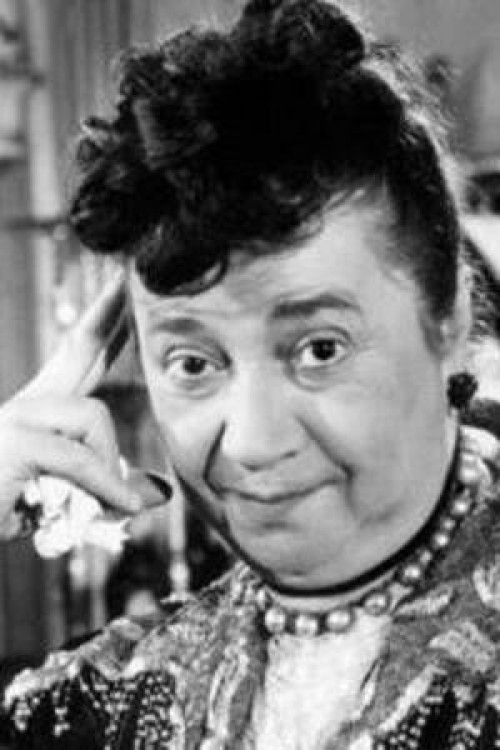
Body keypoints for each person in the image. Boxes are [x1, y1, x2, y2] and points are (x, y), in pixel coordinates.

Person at [0, 0, 499, 747]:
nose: (253, 443)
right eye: (194, 363)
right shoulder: (97, 703)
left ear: (450, 322)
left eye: (319, 349)